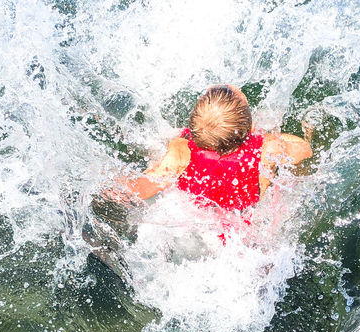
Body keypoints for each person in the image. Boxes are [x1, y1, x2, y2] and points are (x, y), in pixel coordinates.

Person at [120, 85, 312, 237]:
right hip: (246, 223)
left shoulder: (181, 150)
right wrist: (302, 132)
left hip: (195, 222)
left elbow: (141, 189)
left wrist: (113, 185)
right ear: (250, 126)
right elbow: (305, 150)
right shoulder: (267, 147)